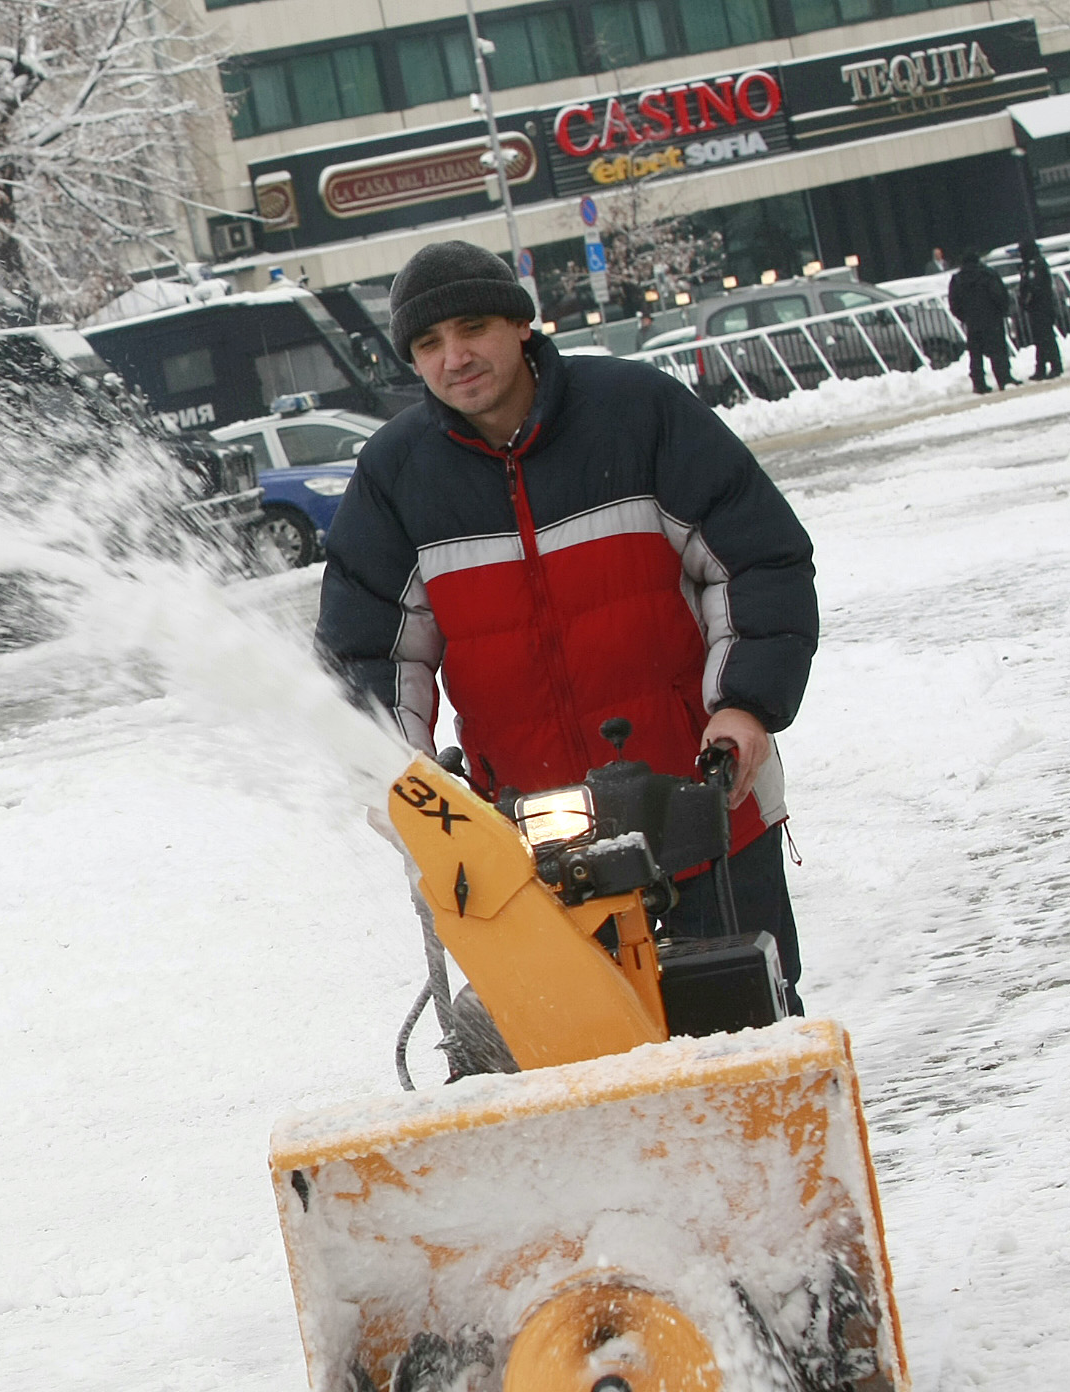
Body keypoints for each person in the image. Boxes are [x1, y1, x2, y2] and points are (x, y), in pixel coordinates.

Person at [317, 239, 818, 1014]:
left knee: (742, 1048)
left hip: (702, 807)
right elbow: (367, 652)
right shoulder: (396, 477)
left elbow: (757, 560)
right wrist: (404, 784)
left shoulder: (635, 413)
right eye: (427, 343)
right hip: (525, 855)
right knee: (569, 1078)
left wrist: (744, 707)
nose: (454, 357)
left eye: (472, 327)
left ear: (520, 324)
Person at [947, 250, 1016, 393]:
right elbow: (999, 295)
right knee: (998, 351)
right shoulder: (988, 275)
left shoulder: (958, 279)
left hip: (972, 322)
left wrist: (965, 317)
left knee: (976, 354)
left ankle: (979, 384)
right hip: (992, 319)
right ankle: (1004, 379)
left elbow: (954, 303)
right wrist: (1001, 311)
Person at [1019, 245, 1063, 380]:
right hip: (1036, 308)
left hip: (1042, 307)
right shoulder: (1028, 265)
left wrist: (1027, 299)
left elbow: (1035, 286)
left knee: (1047, 338)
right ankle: (1041, 367)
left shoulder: (1037, 264)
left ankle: (1055, 366)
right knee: (1040, 339)